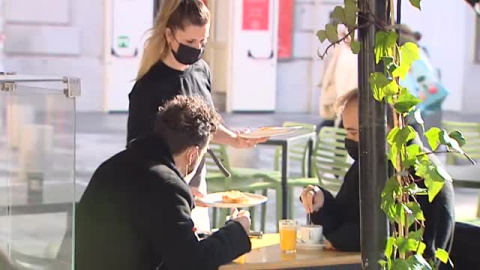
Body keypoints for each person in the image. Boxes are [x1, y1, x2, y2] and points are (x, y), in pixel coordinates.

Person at [127, 0, 267, 230]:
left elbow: (206, 126)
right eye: (190, 41)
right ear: (170, 35)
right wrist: (178, 188)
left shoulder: (202, 71)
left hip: (198, 186)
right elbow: (136, 153)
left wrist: (234, 139)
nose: (197, 47)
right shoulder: (148, 88)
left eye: (203, 41)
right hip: (163, 192)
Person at [76, 96, 252, 270]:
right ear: (192, 155)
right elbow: (192, 262)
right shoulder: (168, 186)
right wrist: (237, 230)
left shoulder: (116, 165)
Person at [300, 89, 455, 265]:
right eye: (348, 133)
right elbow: (343, 217)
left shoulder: (422, 174)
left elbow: (385, 236)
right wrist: (321, 202)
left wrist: (342, 239)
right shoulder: (369, 162)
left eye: (354, 133)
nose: (350, 140)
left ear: (387, 127)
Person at [317, 24, 356, 133]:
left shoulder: (357, 54)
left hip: (351, 102)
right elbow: (332, 74)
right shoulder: (341, 50)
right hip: (339, 100)